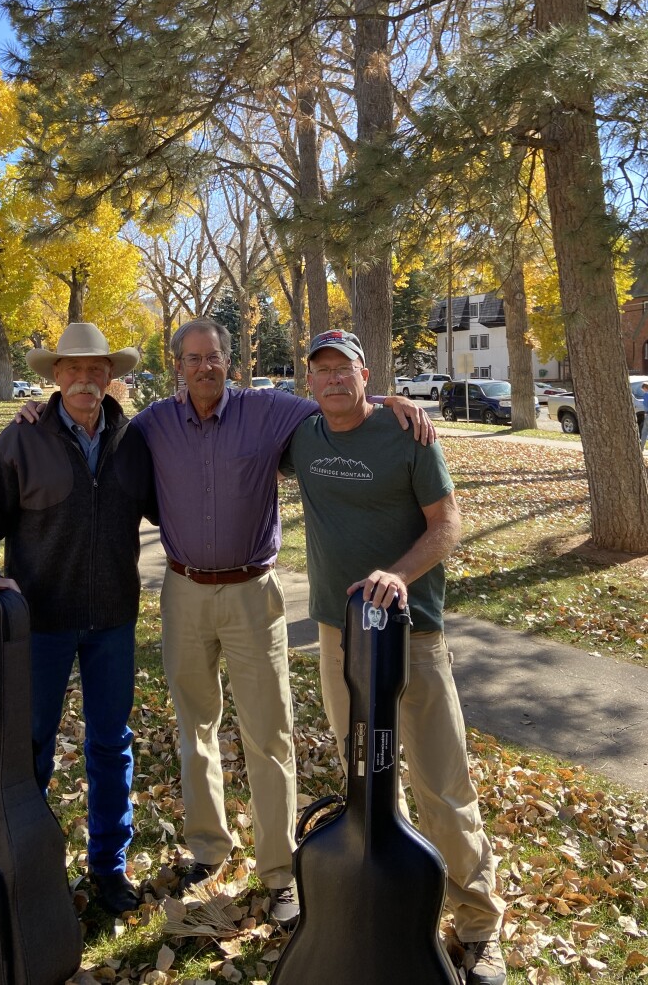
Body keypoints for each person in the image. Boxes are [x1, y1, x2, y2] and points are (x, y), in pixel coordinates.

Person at [130, 319, 434, 928]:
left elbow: (340, 404)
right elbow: (99, 434)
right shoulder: (153, 423)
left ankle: (277, 872)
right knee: (196, 727)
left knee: (269, 733)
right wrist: (43, 409)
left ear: (229, 362)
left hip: (252, 593)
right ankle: (209, 847)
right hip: (183, 588)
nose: (204, 367)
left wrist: (389, 402)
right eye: (192, 359)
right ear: (177, 366)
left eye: (214, 357)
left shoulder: (270, 412)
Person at [280, 329, 506, 985]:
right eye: (319, 371)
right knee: (369, 784)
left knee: (443, 785)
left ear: (363, 372)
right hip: (338, 636)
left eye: (343, 370)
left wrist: (399, 575)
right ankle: (396, 910)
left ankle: (478, 927)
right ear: (309, 382)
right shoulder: (303, 436)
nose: (330, 381)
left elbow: (448, 523)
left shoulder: (409, 435)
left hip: (413, 634)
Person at [0, 323, 157, 917]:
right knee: (30, 746)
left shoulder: (134, 440)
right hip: (37, 626)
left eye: (97, 370)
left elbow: (177, 499)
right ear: (56, 376)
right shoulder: (22, 440)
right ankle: (24, 861)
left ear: (110, 377)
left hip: (113, 622)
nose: (86, 380)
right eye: (73, 369)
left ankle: (108, 868)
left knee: (110, 745)